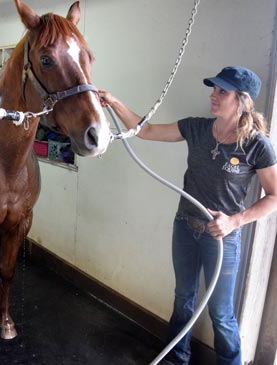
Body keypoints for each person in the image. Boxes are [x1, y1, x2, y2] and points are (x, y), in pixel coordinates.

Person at [99, 66, 277, 365]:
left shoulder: (256, 145)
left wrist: (235, 221)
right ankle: (176, 358)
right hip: (185, 228)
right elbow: (147, 131)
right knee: (183, 300)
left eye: (222, 91)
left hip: (222, 238)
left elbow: (274, 196)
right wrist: (114, 102)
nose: (213, 95)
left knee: (221, 313)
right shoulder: (196, 128)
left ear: (242, 100)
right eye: (214, 89)